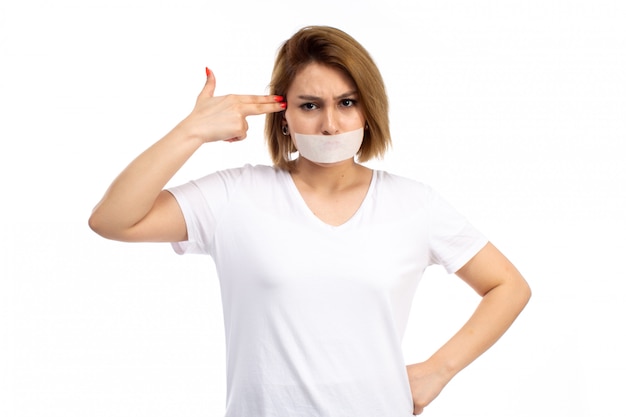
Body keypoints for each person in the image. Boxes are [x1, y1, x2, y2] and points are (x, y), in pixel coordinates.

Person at [89, 25, 531, 416]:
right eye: (310, 105)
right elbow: (112, 221)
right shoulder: (235, 195)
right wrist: (192, 131)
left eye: (347, 102)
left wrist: (438, 370)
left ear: (368, 109)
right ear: (283, 115)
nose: (331, 124)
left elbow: (508, 286)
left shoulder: (414, 204)